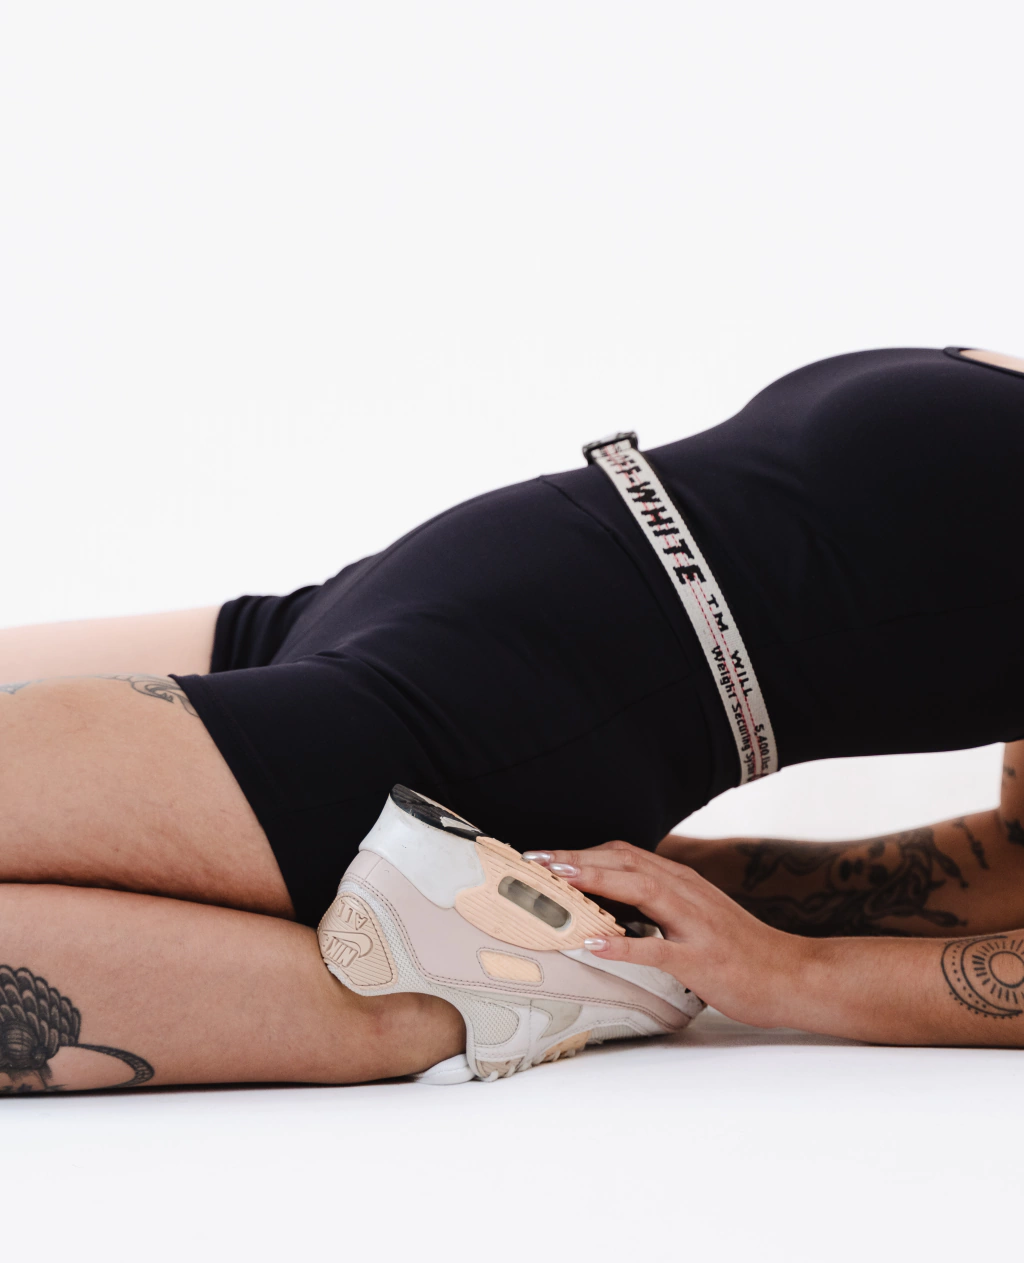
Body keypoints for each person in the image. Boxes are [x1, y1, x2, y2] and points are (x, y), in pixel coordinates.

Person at [2, 345, 1023, 1093]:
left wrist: (790, 974)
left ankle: (448, 997)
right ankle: (504, 961)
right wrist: (663, 885)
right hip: (352, 613)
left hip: (472, 719)